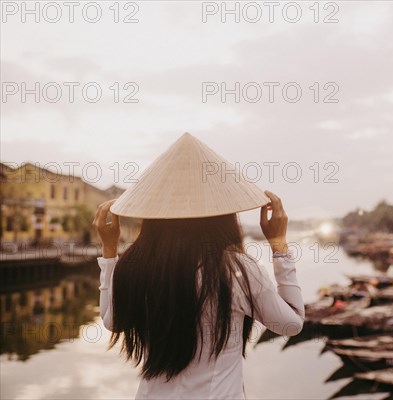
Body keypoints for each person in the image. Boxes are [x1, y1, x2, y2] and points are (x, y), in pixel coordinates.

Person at [92, 133, 304, 399]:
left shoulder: (136, 266)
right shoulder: (236, 271)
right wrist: (278, 244)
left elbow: (113, 321)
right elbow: (291, 324)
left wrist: (109, 252)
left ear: (155, 215)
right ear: (223, 214)